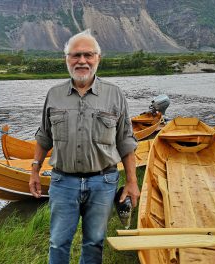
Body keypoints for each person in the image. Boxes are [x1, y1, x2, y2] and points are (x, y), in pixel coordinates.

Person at [29, 30, 141, 264]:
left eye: (88, 55)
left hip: (103, 182)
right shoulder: (54, 95)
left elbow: (125, 141)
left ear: (98, 58)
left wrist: (132, 181)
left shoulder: (114, 95)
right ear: (67, 59)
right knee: (58, 242)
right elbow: (43, 137)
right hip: (63, 182)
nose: (82, 61)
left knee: (94, 242)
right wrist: (34, 170)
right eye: (75, 55)